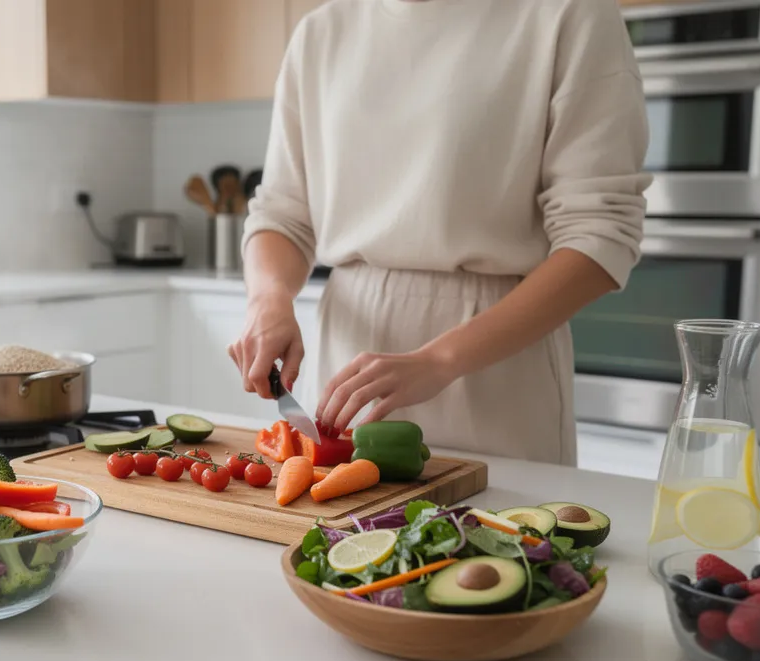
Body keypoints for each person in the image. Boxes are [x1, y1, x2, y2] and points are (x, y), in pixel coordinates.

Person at [228, 0, 650, 465]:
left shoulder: (568, 15)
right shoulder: (319, 34)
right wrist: (267, 300)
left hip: (494, 371)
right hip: (345, 359)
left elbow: (599, 235)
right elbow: (283, 214)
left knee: (502, 532)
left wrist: (440, 360)